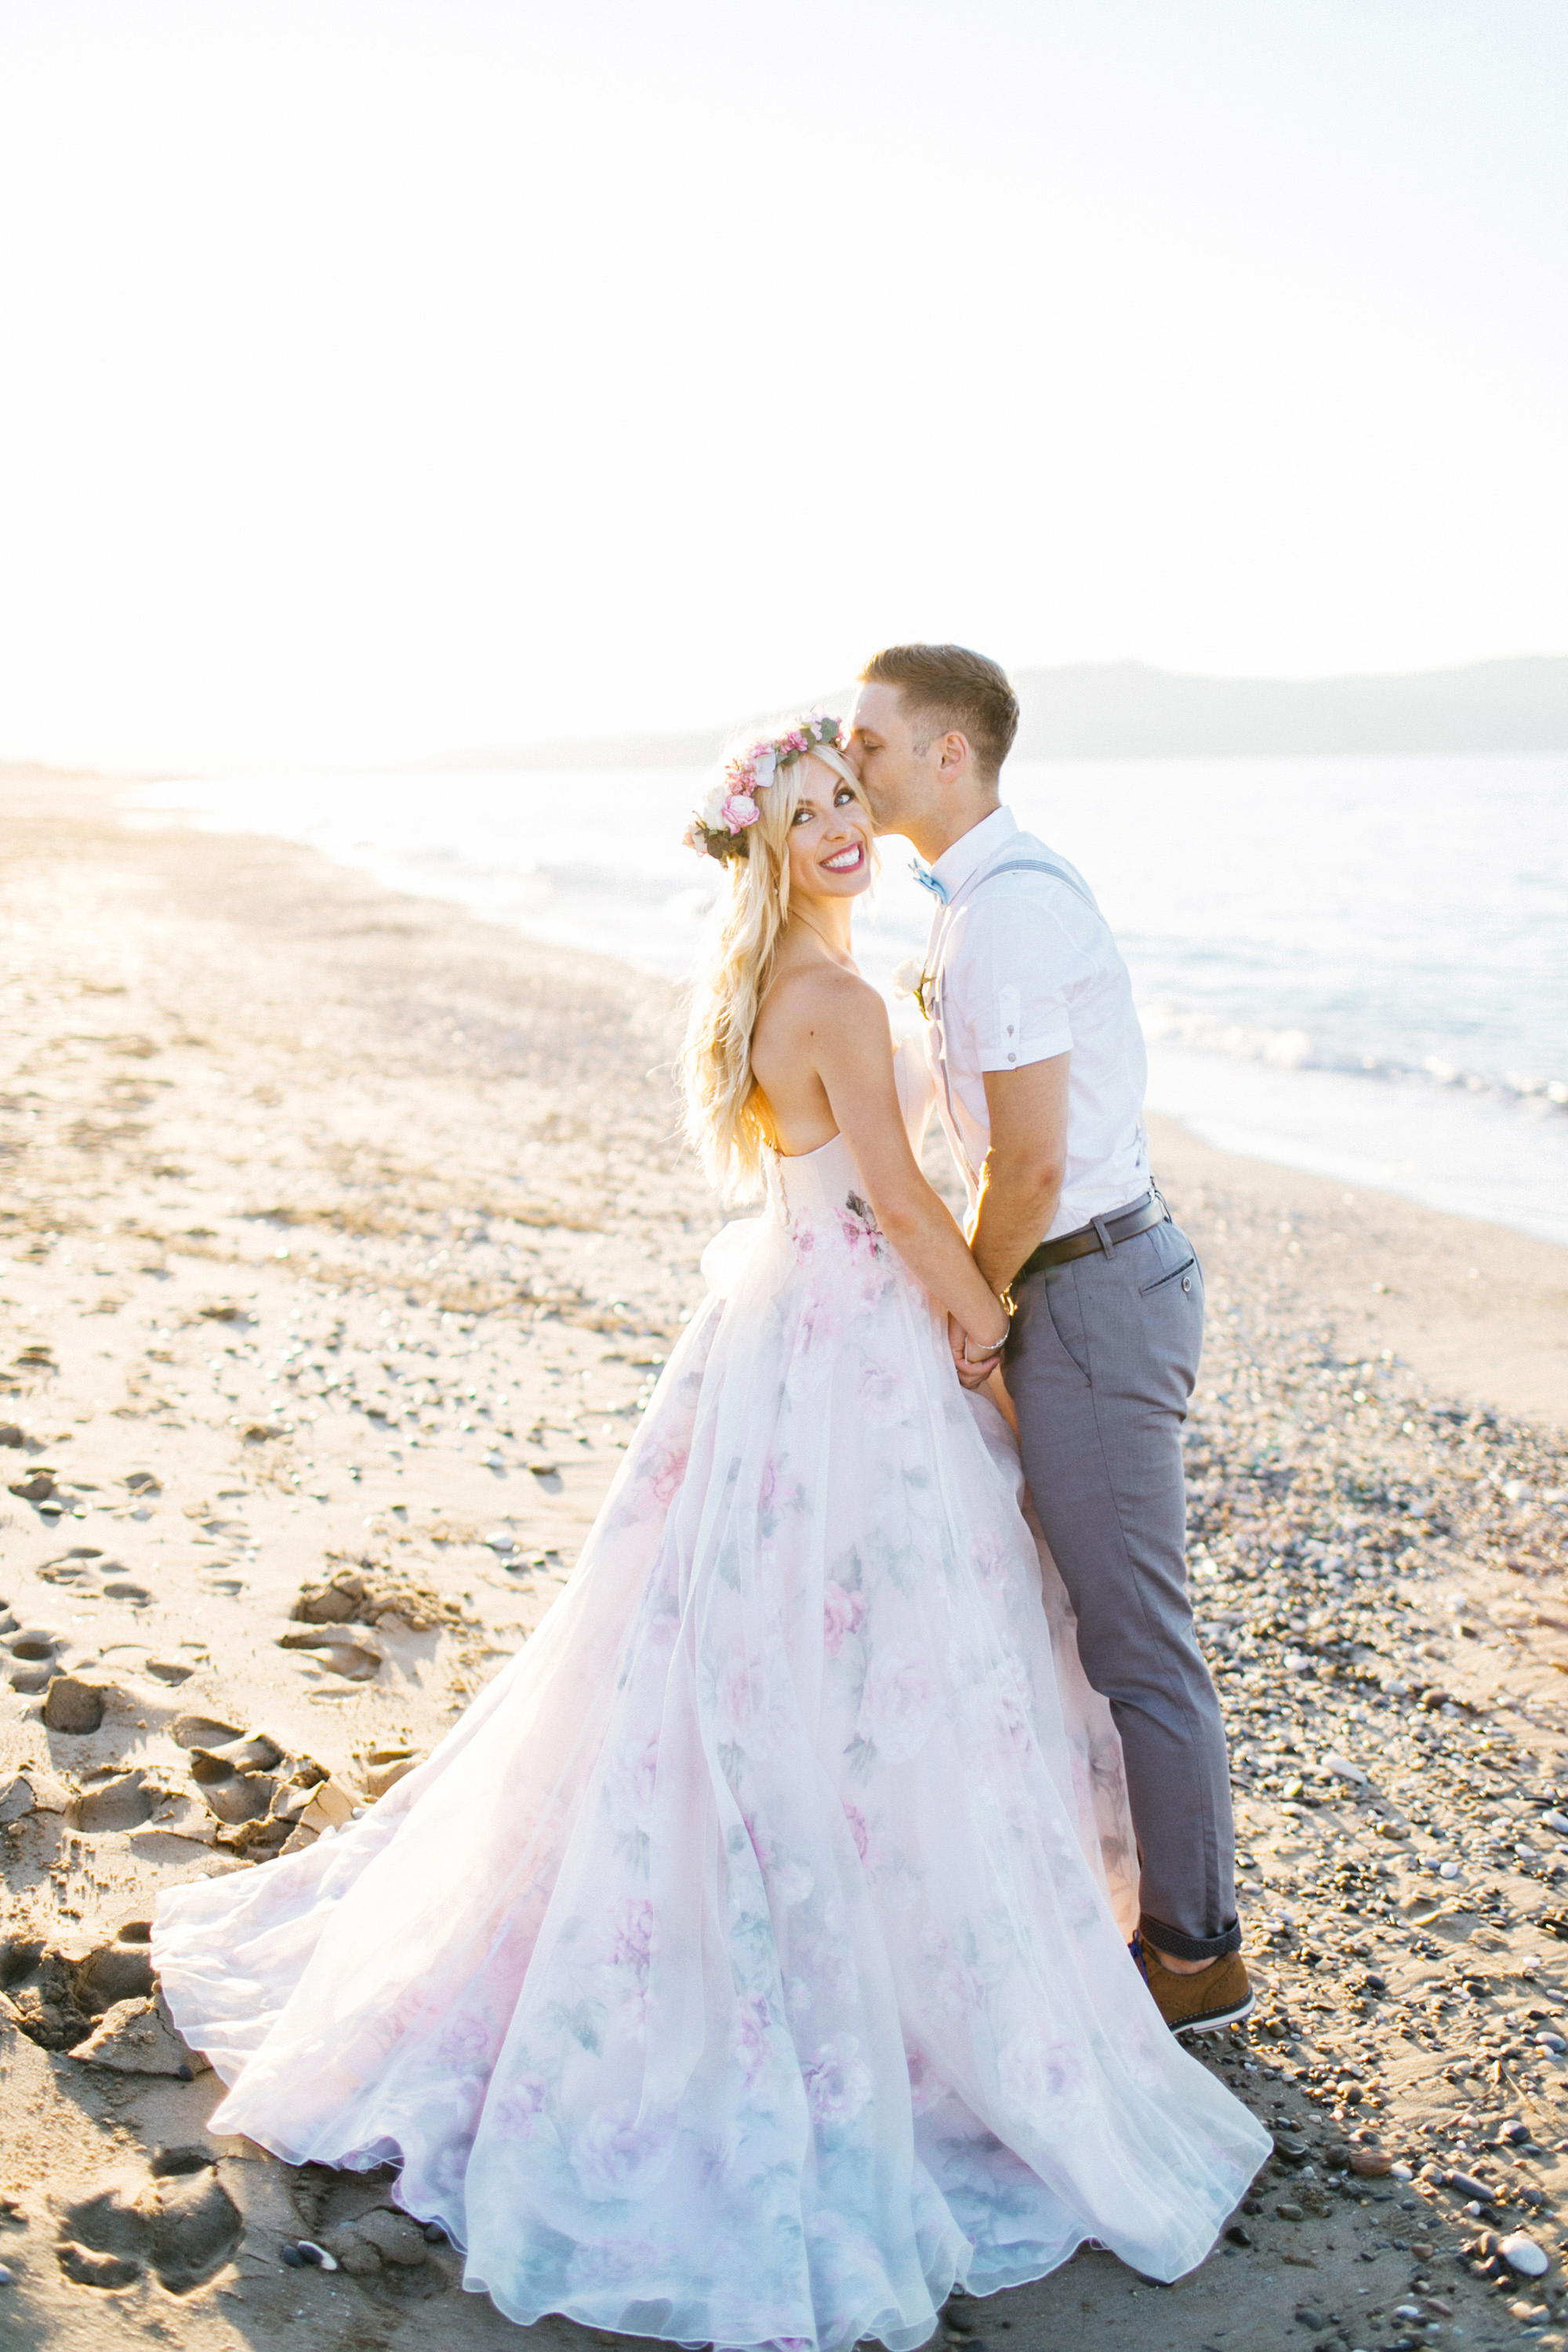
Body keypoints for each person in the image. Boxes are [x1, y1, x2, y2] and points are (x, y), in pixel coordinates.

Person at [152, 716, 1267, 2347]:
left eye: (842, 805)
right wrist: (990, 1350)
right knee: (883, 1671)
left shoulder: (769, 988)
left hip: (780, 1334)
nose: (835, 829)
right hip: (855, 1347)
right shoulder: (834, 994)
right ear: (758, 845)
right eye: (803, 812)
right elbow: (896, 1204)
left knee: (739, 1654)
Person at [845, 644, 1250, 2035]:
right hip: (1085, 1281)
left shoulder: (1008, 915)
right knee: (1089, 1618)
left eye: (875, 744)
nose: (856, 766)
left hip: (1087, 1296)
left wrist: (982, 1309)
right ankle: (1117, 1895)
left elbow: (1023, 1173)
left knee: (1137, 1637)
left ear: (950, 752)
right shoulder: (980, 901)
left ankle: (1196, 1953)